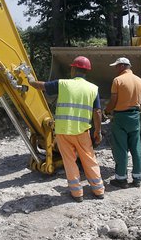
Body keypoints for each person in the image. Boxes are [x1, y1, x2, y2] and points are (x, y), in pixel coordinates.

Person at [26, 56, 104, 202]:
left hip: (63, 132)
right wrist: (97, 131)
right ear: (86, 71)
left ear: (74, 69)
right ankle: (99, 190)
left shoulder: (63, 84)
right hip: (82, 132)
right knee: (89, 160)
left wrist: (30, 80)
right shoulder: (93, 89)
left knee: (69, 162)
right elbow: (98, 112)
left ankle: (77, 194)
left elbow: (42, 86)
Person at [103, 56, 141, 188]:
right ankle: (137, 179)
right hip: (134, 117)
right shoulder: (140, 81)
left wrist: (106, 111)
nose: (115, 69)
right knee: (136, 148)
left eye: (116, 67)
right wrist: (138, 112)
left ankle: (121, 179)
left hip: (120, 118)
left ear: (122, 66)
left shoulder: (118, 80)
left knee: (121, 148)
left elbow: (113, 101)